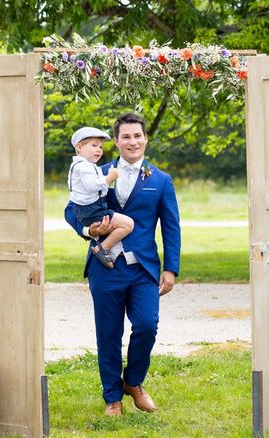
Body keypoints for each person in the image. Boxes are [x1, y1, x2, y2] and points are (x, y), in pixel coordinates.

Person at [64, 112, 181, 417]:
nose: (133, 141)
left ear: (145, 139)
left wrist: (170, 269)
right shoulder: (93, 171)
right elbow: (70, 209)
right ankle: (112, 397)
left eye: (137, 136)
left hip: (143, 268)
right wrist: (89, 231)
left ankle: (134, 382)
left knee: (146, 326)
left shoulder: (160, 180)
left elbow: (171, 226)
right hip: (106, 266)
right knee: (108, 332)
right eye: (125, 137)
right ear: (115, 141)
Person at [68, 127, 134, 269]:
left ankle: (104, 248)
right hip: (93, 210)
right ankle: (102, 248)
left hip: (90, 209)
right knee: (128, 224)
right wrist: (109, 178)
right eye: (94, 146)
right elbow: (92, 187)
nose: (99, 150)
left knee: (125, 224)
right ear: (79, 147)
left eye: (101, 147)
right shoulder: (85, 167)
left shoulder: (86, 166)